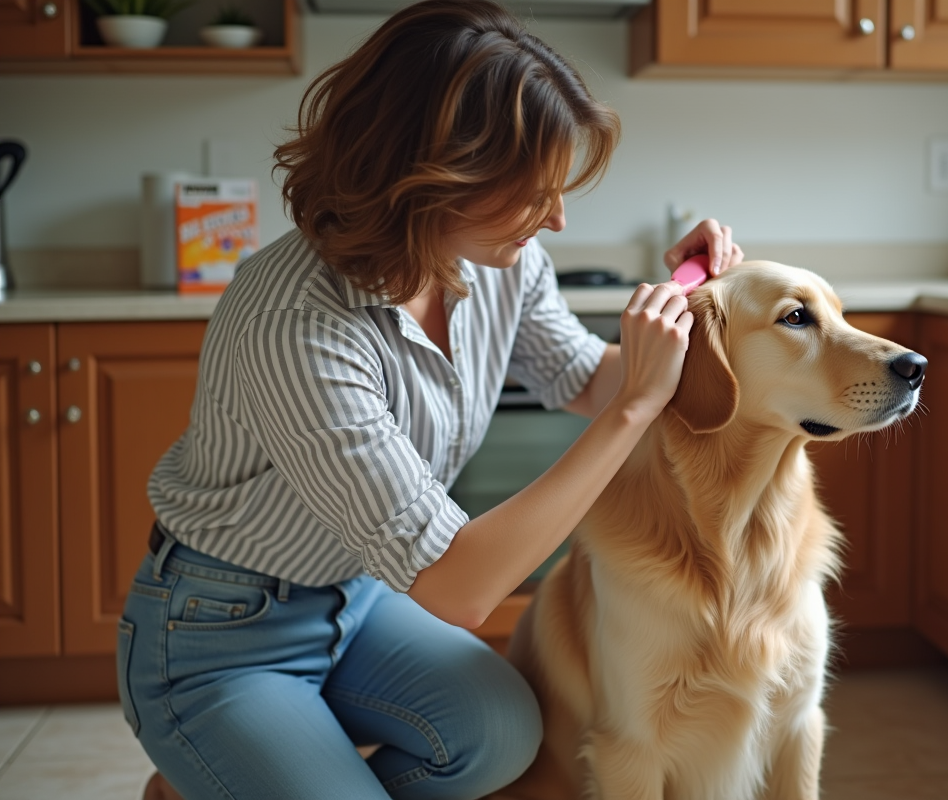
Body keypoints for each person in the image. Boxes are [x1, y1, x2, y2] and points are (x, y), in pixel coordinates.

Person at [119, 2, 744, 798]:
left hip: (358, 597)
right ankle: (212, 758)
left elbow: (588, 378)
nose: (555, 216)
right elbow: (460, 589)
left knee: (502, 735)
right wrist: (634, 412)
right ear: (436, 173)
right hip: (218, 632)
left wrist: (694, 307)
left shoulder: (499, 260)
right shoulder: (298, 324)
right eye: (533, 189)